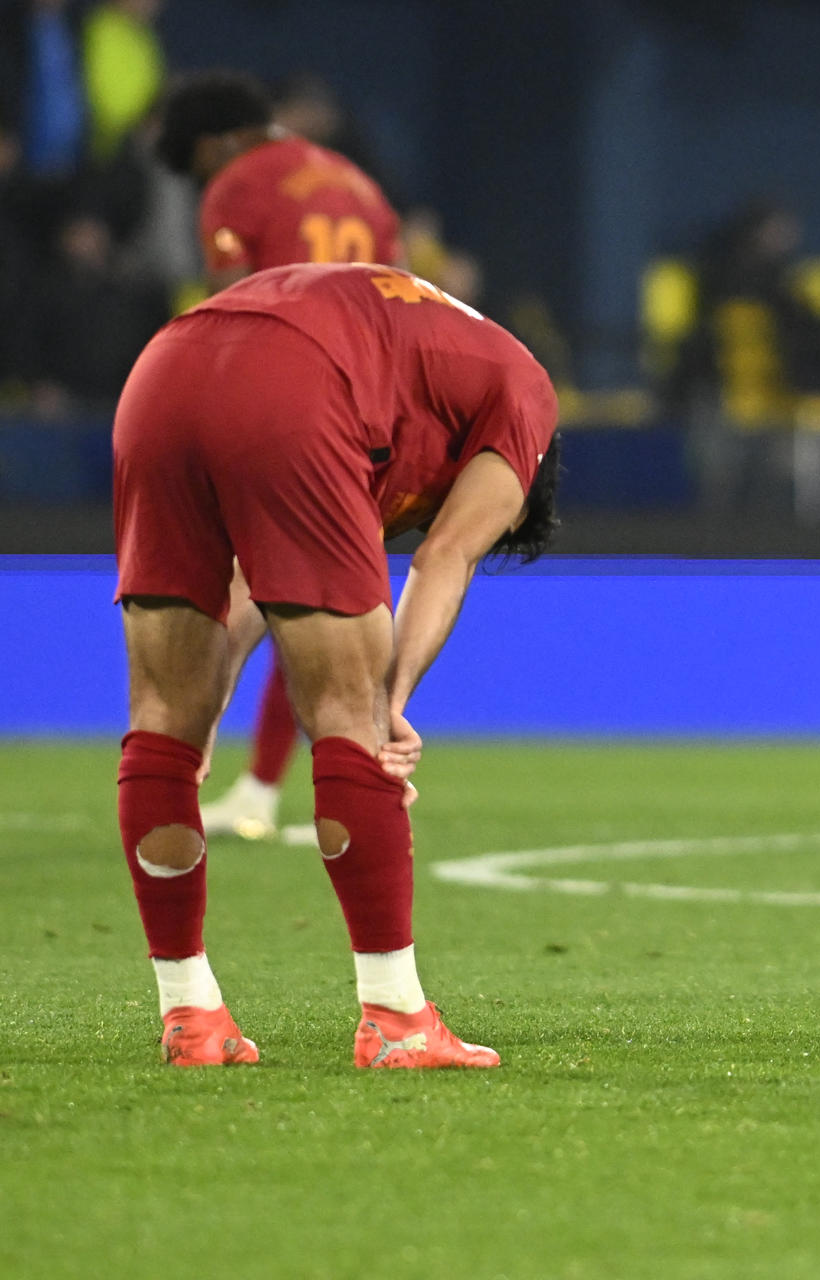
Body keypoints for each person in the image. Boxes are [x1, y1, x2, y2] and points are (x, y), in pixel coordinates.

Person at [113, 261, 561, 1068]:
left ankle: (190, 1018)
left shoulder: (422, 354)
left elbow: (254, 579)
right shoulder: (526, 394)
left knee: (162, 727)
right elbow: (447, 554)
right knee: (351, 725)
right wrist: (390, 699)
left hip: (164, 369)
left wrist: (209, 702)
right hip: (296, 382)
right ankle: (398, 1020)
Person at [155, 70, 404, 841]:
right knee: (316, 597)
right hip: (364, 403)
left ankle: (174, 767)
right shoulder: (362, 188)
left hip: (276, 396)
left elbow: (230, 299)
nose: (201, 180)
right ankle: (273, 787)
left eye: (195, 164)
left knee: (238, 594)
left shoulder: (237, 183)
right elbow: (397, 298)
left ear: (218, 142)